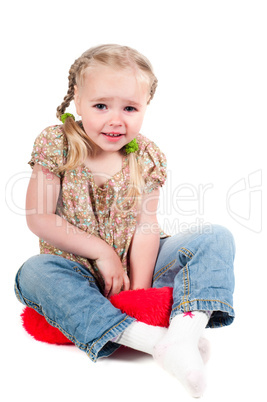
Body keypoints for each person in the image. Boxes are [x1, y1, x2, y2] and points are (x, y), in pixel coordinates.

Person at [14, 44, 235, 398]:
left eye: (130, 108)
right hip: (77, 269)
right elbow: (39, 218)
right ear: (78, 102)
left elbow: (147, 229)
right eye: (101, 106)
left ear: (145, 107)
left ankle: (183, 333)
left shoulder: (147, 156)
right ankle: (153, 340)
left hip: (136, 266)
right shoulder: (57, 143)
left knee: (216, 237)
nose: (116, 120)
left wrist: (140, 291)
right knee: (33, 273)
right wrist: (101, 251)